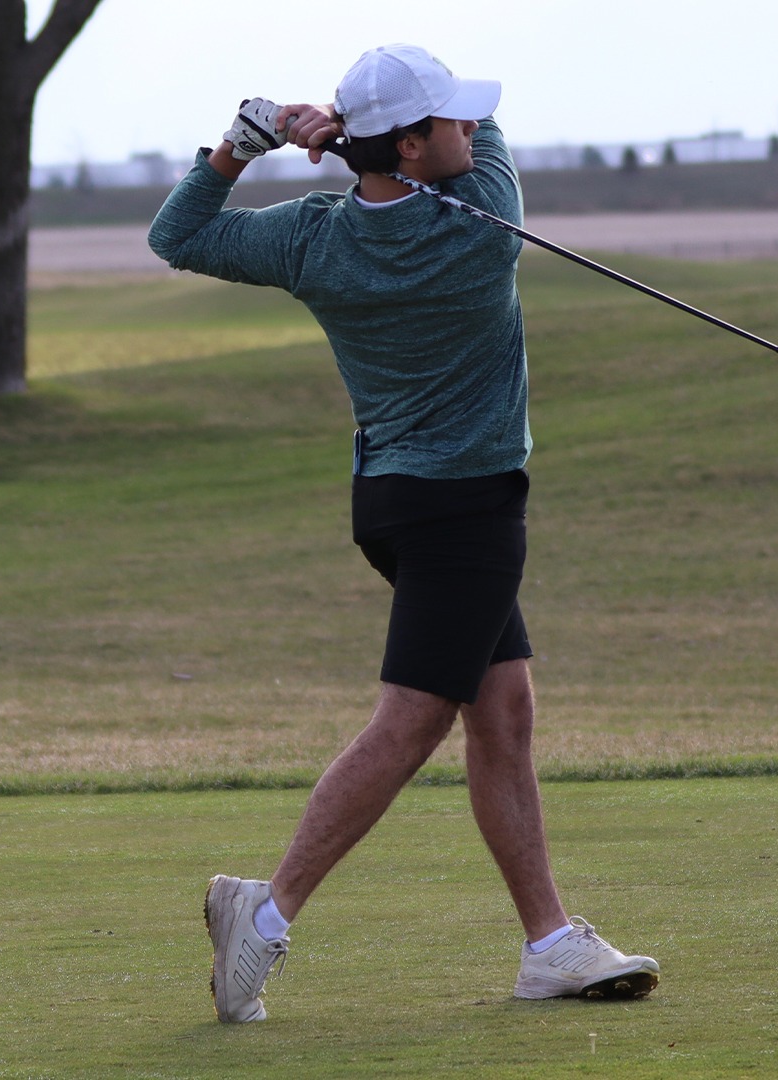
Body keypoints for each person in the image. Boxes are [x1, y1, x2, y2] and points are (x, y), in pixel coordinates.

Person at [148, 44, 659, 1025]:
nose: (472, 124)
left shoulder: (310, 238)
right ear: (416, 145)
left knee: (502, 713)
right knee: (413, 722)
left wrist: (248, 142)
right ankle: (265, 915)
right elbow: (485, 138)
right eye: (449, 118)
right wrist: (353, 135)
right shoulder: (485, 222)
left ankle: (549, 944)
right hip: (467, 512)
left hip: (389, 504)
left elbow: (178, 235)